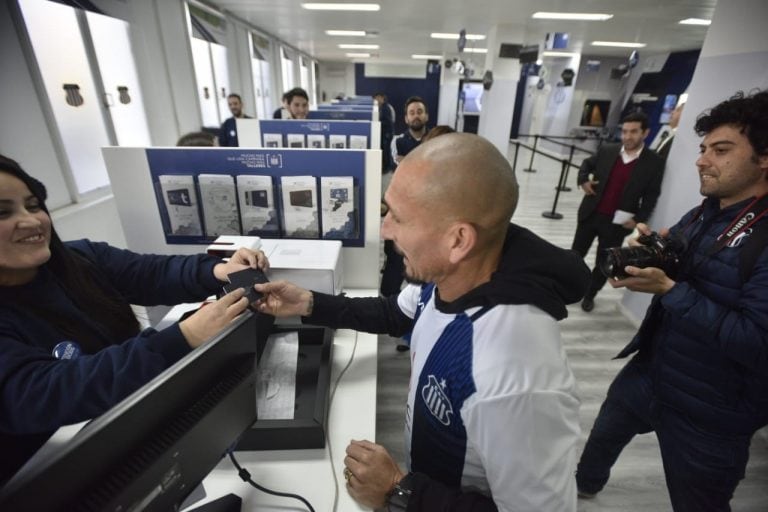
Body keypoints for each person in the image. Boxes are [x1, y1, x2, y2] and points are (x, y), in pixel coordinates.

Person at [255, 133, 589, 511]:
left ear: (458, 239)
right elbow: (394, 313)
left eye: (398, 217)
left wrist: (400, 490)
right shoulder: (447, 276)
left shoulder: (513, 376)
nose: (385, 230)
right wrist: (311, 303)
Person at [0, 154, 269, 483]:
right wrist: (180, 338)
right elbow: (46, 392)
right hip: (61, 477)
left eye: (33, 205)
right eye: (3, 212)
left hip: (139, 432)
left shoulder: (78, 259)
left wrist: (216, 270)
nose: (31, 221)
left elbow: (150, 273)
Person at [575, 90, 768, 510]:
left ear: (764, 158)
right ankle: (584, 485)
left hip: (714, 412)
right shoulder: (705, 212)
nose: (701, 160)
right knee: (605, 432)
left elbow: (756, 341)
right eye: (703, 149)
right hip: (653, 372)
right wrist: (651, 251)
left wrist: (669, 290)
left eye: (720, 150)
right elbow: (680, 257)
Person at [571, 111, 665, 312]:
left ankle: (590, 294)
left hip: (617, 224)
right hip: (590, 214)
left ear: (645, 133)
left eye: (633, 132)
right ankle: (568, 286)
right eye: (624, 131)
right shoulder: (607, 150)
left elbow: (651, 195)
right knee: (575, 254)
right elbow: (587, 164)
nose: (627, 136)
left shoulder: (654, 162)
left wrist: (639, 219)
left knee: (604, 262)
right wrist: (583, 180)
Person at [380, 96, 431, 301]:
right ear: (406, 118)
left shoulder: (436, 139)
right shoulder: (398, 141)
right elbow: (399, 170)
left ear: (426, 115)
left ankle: (421, 298)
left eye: (420, 111)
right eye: (412, 112)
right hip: (403, 207)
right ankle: (389, 296)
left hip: (429, 209)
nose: (416, 115)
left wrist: (409, 162)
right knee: (395, 254)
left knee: (424, 255)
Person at [373, 92, 395, 173]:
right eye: (375, 98)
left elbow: (388, 121)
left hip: (387, 133)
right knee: (385, 150)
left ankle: (387, 168)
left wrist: (376, 124)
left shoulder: (385, 108)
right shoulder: (382, 107)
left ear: (383, 98)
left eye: (378, 98)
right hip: (385, 132)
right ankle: (386, 166)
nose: (377, 100)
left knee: (386, 151)